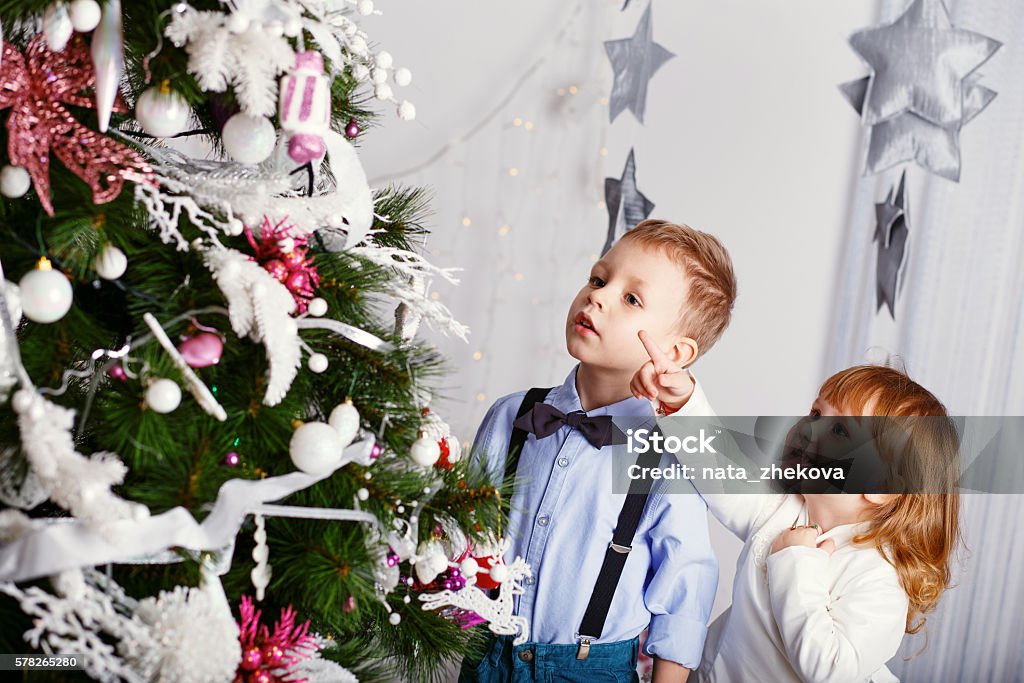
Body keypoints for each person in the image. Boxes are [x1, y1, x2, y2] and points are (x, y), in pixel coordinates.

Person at [460, 220, 738, 682]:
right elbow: (459, 532)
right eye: (598, 278)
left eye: (632, 298)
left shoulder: (670, 454)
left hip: (590, 671)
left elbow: (684, 593)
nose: (598, 297)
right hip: (486, 654)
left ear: (677, 351)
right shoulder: (512, 415)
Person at [649, 364, 961, 683]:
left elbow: (831, 670)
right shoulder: (783, 510)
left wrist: (796, 561)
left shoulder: (878, 578)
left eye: (840, 430)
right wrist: (684, 403)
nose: (809, 428)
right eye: (815, 414)